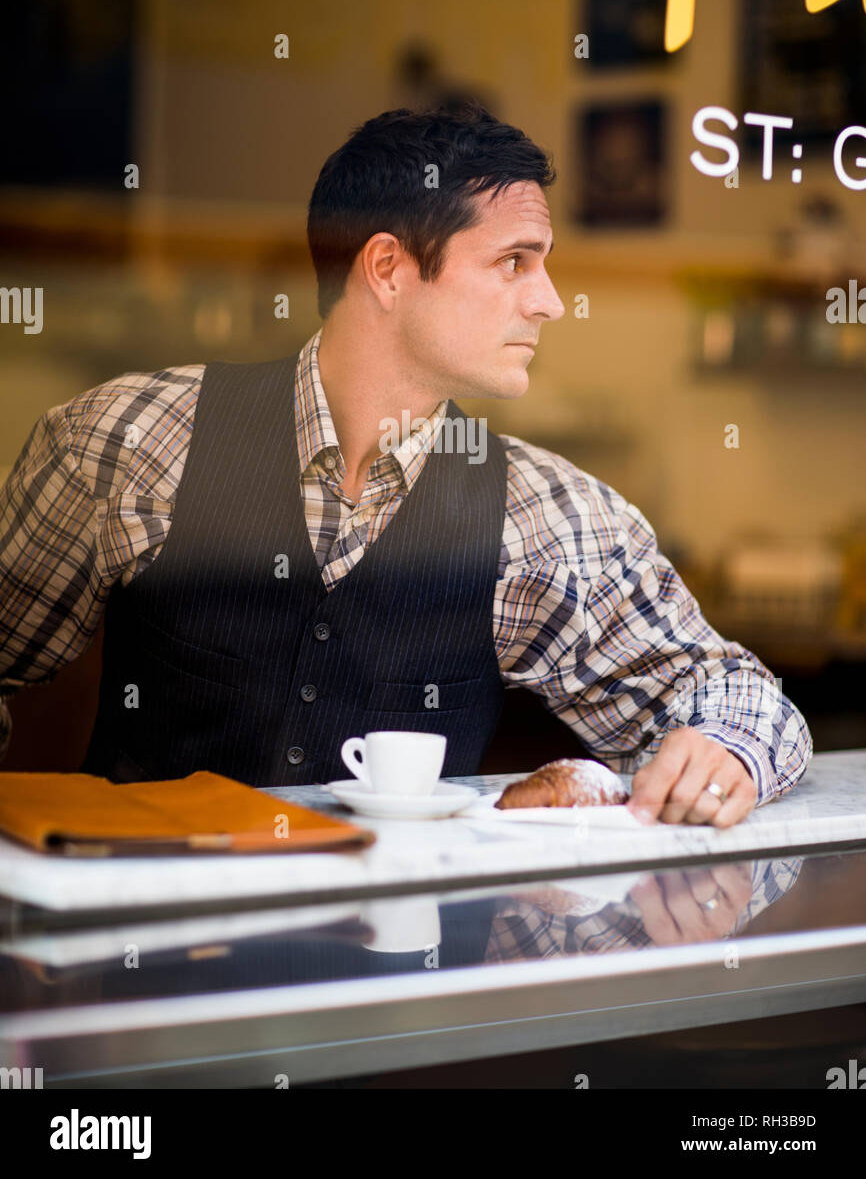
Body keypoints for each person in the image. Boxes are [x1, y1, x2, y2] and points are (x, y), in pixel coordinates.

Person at [0, 103, 812, 826]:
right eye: (514, 262)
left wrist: (727, 749)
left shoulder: (545, 517)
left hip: (404, 971)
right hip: (144, 970)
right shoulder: (127, 442)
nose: (549, 300)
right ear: (388, 268)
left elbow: (736, 696)